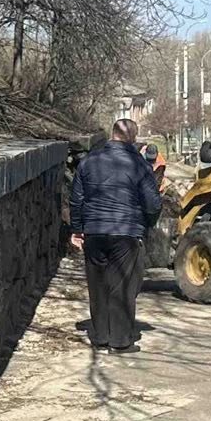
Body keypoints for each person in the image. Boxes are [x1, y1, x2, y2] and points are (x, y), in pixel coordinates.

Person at [68, 119, 161, 352]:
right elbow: (152, 203)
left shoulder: (89, 161)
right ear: (132, 137)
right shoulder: (139, 165)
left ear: (113, 134)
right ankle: (120, 341)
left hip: (94, 231)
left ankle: (100, 337)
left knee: (97, 284)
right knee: (122, 286)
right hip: (126, 232)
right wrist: (147, 225)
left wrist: (77, 229)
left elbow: (76, 198)